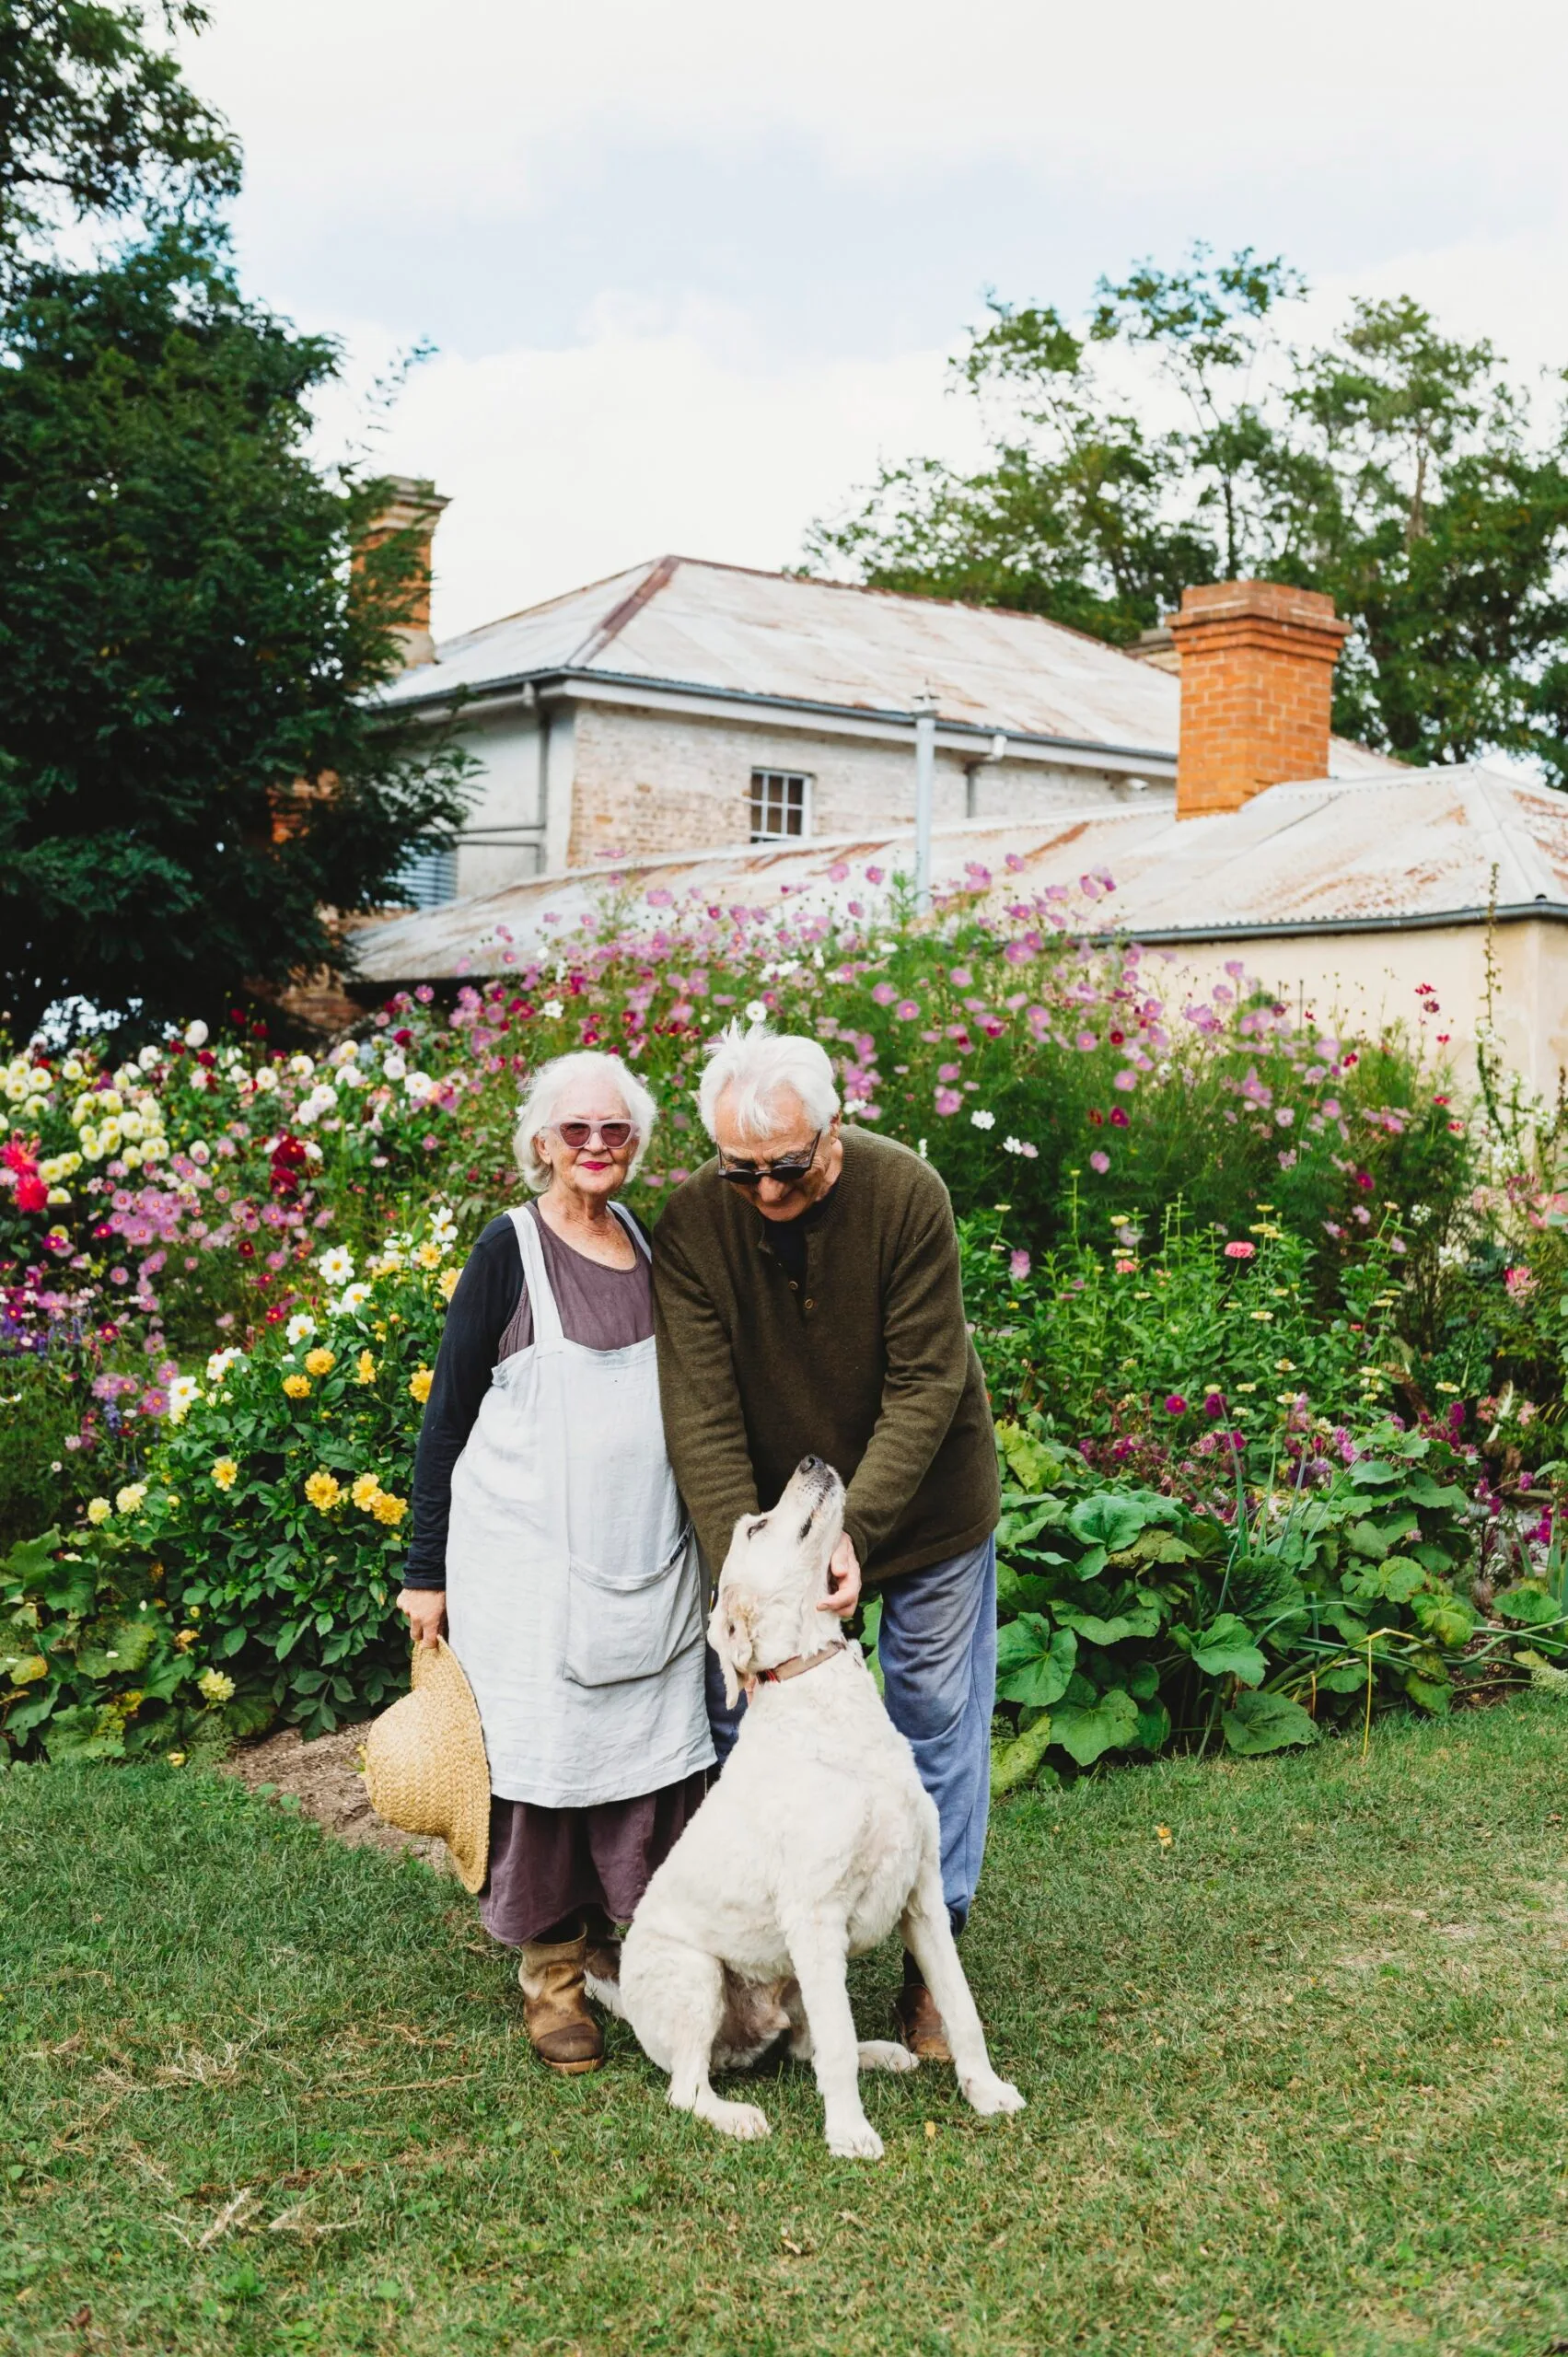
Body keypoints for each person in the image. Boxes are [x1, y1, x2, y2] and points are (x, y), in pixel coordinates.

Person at [652, 1023, 1000, 2060]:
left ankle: (932, 1959)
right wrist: (753, 1577)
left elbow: (926, 1378)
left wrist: (861, 1524)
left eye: (788, 1167)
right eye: (740, 1169)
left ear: (834, 1133)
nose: (763, 1190)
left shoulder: (905, 1197)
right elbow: (702, 1419)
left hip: (923, 1501)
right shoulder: (690, 1226)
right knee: (753, 1732)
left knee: (932, 1714)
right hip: (781, 1522)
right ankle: (772, 1956)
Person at [399, 1050, 713, 2074]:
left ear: (637, 1144)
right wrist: (424, 1568)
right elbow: (444, 1420)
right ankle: (553, 1983)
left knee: (647, 1770)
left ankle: (636, 1959)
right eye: (574, 1130)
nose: (593, 1147)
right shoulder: (509, 1251)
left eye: (614, 1131)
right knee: (547, 1775)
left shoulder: (648, 1245)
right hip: (529, 1573)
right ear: (540, 1139)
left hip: (643, 1562)